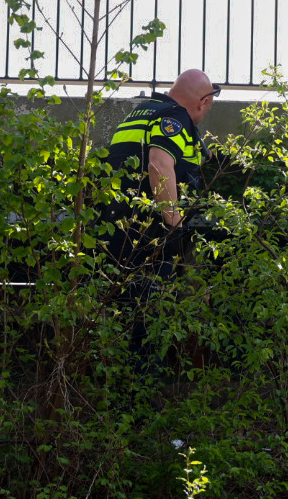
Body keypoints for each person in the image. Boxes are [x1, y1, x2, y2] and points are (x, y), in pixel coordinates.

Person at [101, 69, 220, 369]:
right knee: (148, 324)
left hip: (116, 233)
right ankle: (138, 403)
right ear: (203, 102)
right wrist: (175, 225)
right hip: (149, 240)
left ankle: (115, 397)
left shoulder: (138, 114)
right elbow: (159, 163)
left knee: (121, 321)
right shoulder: (175, 119)